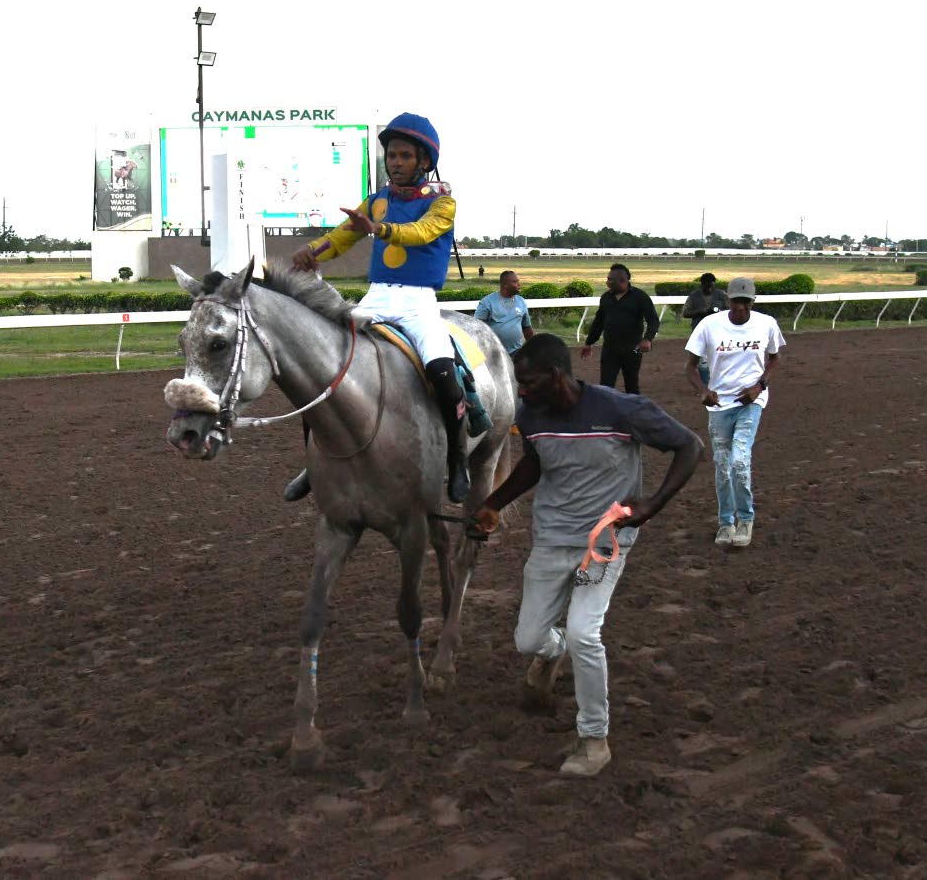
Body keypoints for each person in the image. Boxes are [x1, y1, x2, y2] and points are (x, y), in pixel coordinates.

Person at [470, 334, 702, 777]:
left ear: (556, 376)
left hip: (603, 542)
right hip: (551, 539)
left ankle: (594, 740)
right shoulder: (531, 415)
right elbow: (535, 462)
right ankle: (550, 652)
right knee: (528, 640)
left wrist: (652, 504)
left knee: (584, 634)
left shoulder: (621, 409)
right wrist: (493, 505)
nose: (521, 391)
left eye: (528, 382)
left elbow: (690, 446)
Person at [288, 112, 469, 502]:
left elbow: (420, 233)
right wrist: (312, 251)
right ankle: (312, 462)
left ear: (424, 161)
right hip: (377, 298)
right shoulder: (376, 201)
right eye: (392, 155)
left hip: (418, 304)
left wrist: (379, 229)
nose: (396, 163)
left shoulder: (442, 203)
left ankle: (458, 461)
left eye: (405, 156)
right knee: (321, 367)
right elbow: (341, 237)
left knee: (442, 373)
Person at [682, 277, 784, 549]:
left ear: (753, 302)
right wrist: (703, 390)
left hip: (751, 402)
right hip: (720, 404)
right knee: (723, 467)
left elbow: (775, 359)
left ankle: (745, 519)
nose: (740, 307)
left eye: (745, 302)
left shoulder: (766, 324)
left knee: (739, 460)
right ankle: (726, 521)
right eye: (736, 301)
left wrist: (759, 386)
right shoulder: (709, 326)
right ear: (728, 300)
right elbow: (690, 366)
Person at [580, 264, 659, 394]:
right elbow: (598, 322)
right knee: (605, 387)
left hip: (633, 350)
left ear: (622, 281)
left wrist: (647, 339)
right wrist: (589, 342)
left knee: (631, 386)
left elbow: (653, 320)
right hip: (610, 350)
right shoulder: (606, 298)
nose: (607, 282)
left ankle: (633, 407)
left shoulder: (640, 297)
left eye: (610, 279)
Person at [681, 273, 730, 385]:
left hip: (720, 331)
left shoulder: (721, 295)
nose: (709, 289)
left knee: (721, 357)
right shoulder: (694, 296)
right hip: (700, 332)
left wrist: (719, 312)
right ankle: (705, 385)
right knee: (702, 360)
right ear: (702, 284)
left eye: (711, 286)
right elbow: (685, 313)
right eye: (707, 286)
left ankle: (720, 382)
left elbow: (729, 310)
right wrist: (700, 311)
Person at [474, 271, 534, 355]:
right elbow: (477, 328)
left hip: (516, 352)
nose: (519, 284)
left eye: (518, 281)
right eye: (515, 282)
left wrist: (534, 347)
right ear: (505, 285)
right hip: (494, 354)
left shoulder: (521, 301)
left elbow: (527, 328)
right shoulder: (487, 302)